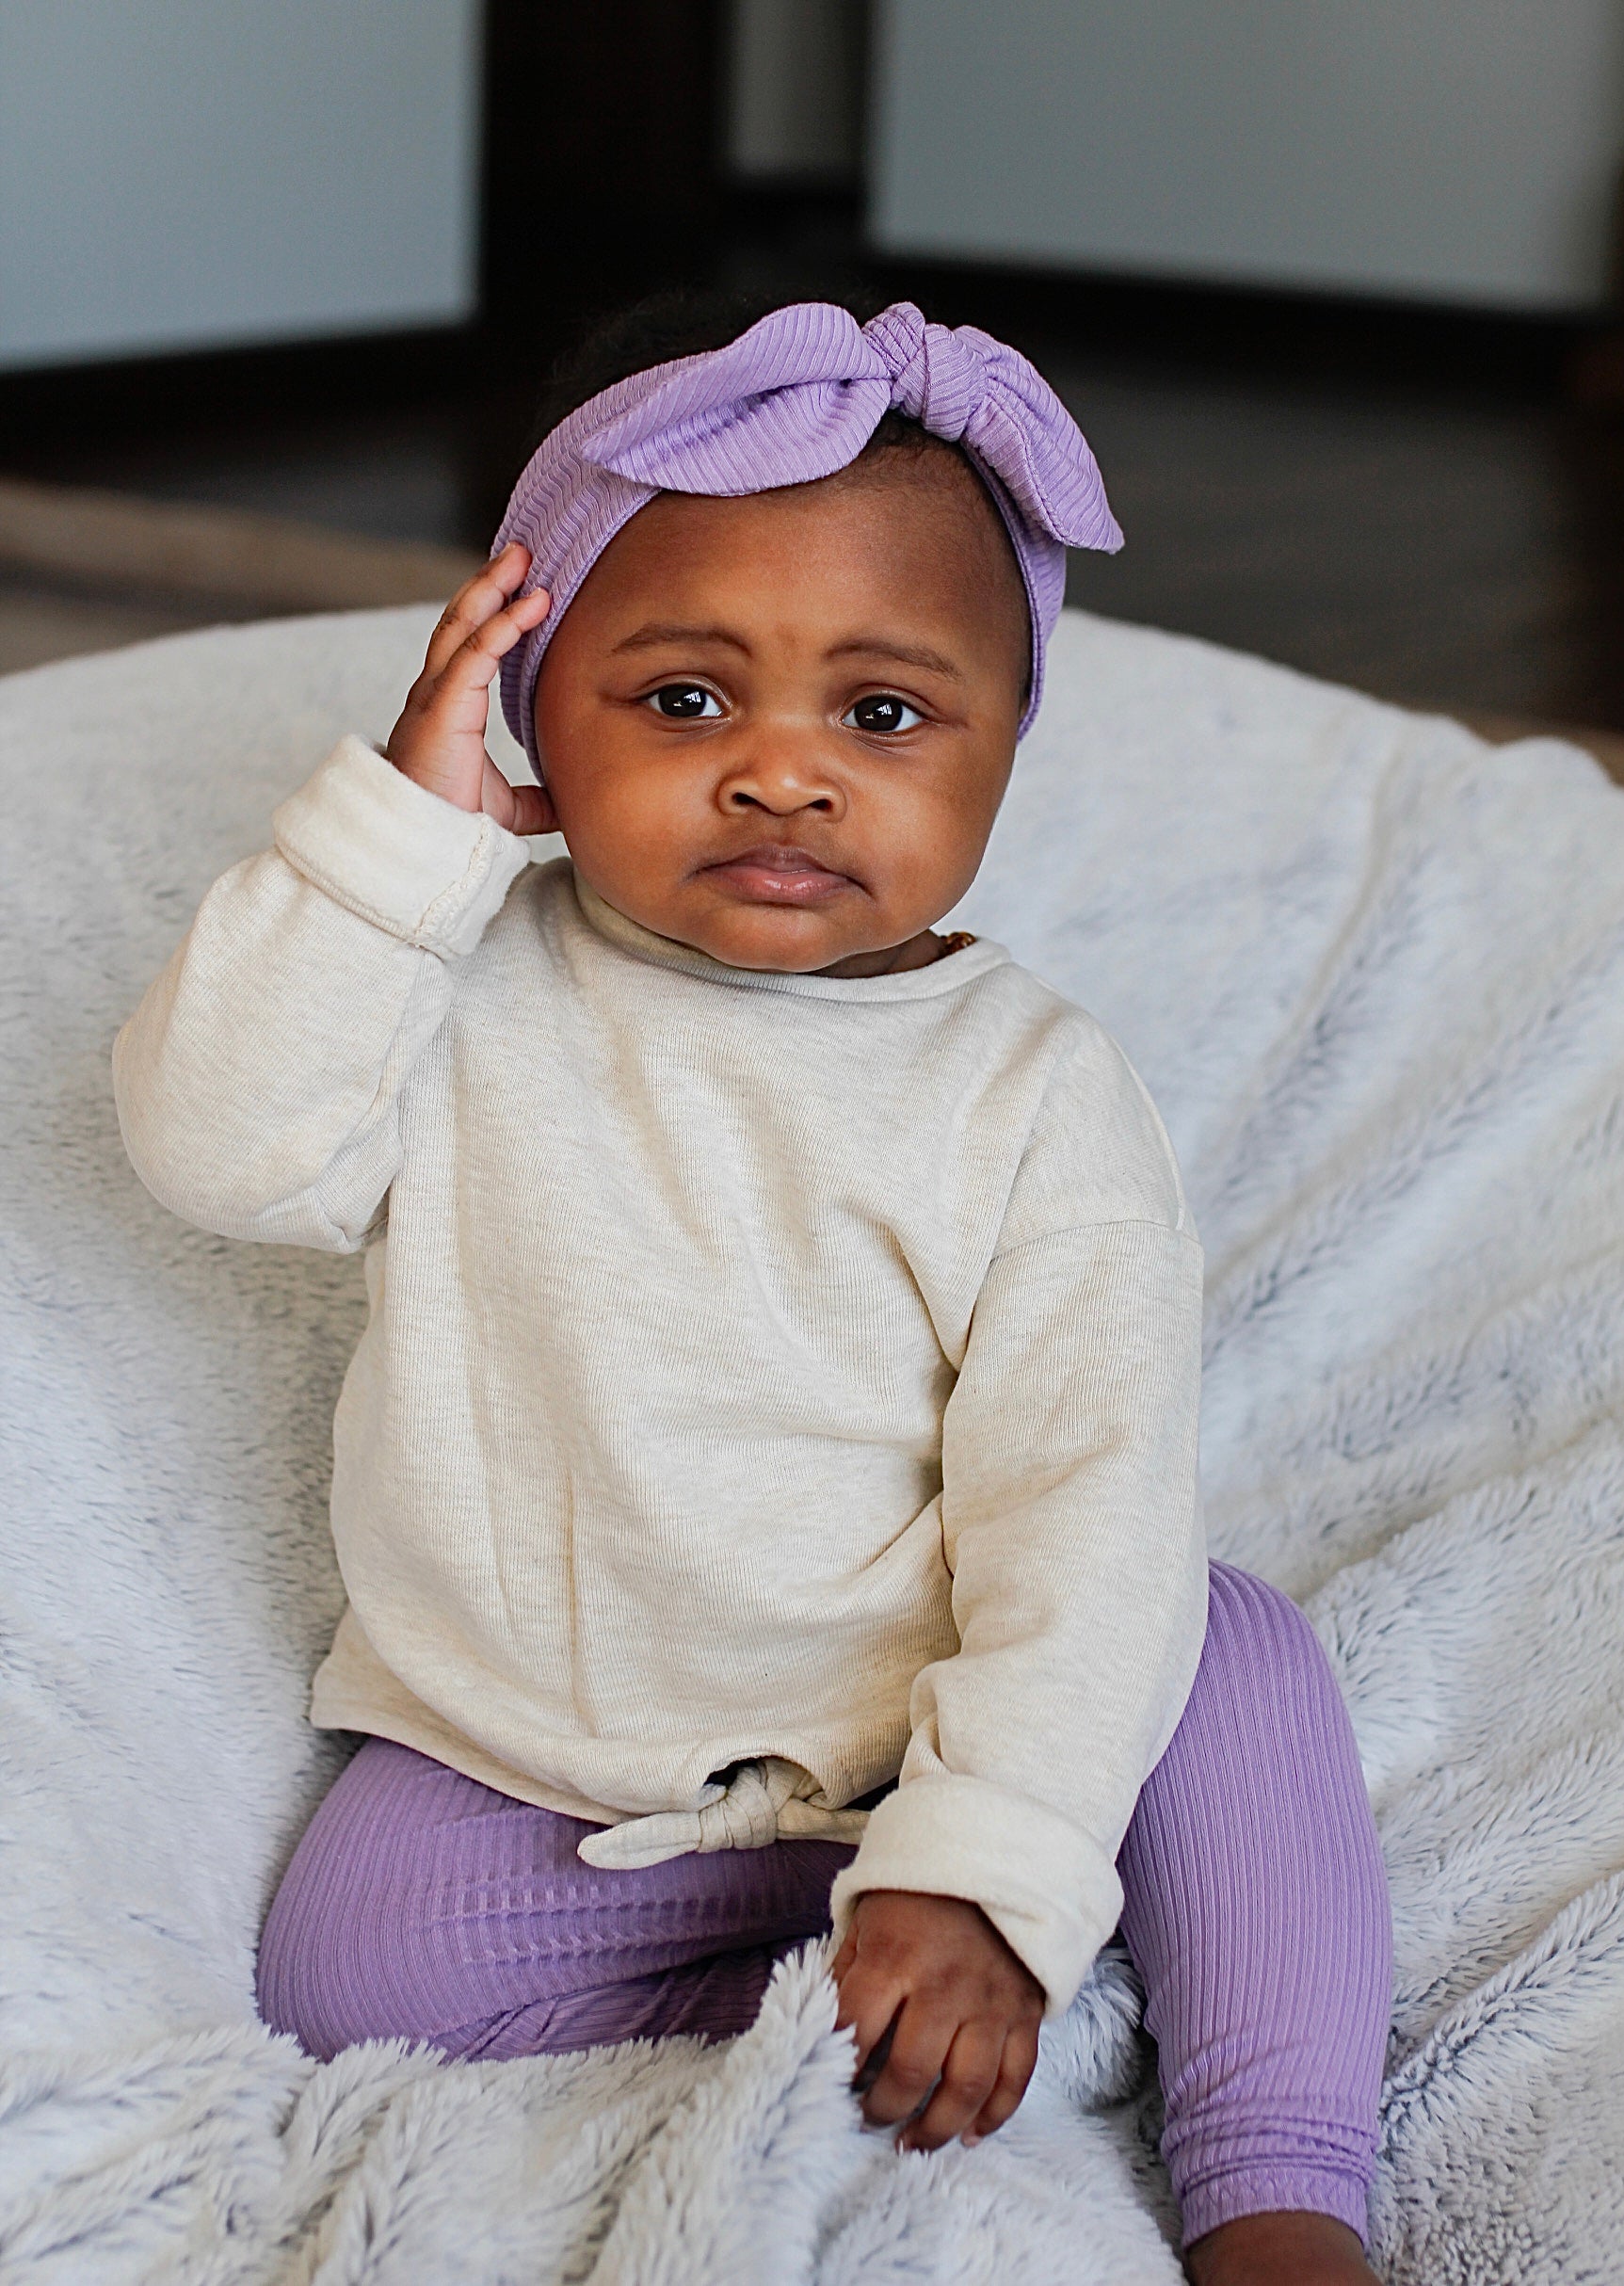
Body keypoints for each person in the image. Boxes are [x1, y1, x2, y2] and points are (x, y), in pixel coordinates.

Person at [113, 293, 1391, 2285]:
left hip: (927, 1722)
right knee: (344, 1962)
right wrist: (395, 833)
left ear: (999, 744)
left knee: (1221, 1660)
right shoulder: (449, 980)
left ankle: (1270, 2167)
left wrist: (981, 1843)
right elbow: (216, 1145)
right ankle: (876, 1999)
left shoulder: (1036, 1096)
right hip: (550, 1762)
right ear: (533, 702)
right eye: (685, 698)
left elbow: (1080, 1506)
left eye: (882, 715)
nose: (783, 776)